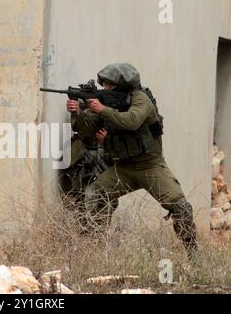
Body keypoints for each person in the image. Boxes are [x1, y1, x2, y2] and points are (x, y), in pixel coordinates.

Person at [66, 63, 198, 259]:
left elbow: (132, 120)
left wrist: (103, 110)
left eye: (110, 85)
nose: (106, 88)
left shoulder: (141, 99)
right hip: (123, 168)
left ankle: (194, 256)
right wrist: (77, 113)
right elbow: (88, 129)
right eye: (104, 84)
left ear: (123, 85)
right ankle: (96, 252)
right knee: (95, 194)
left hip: (150, 166)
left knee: (181, 207)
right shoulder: (104, 102)